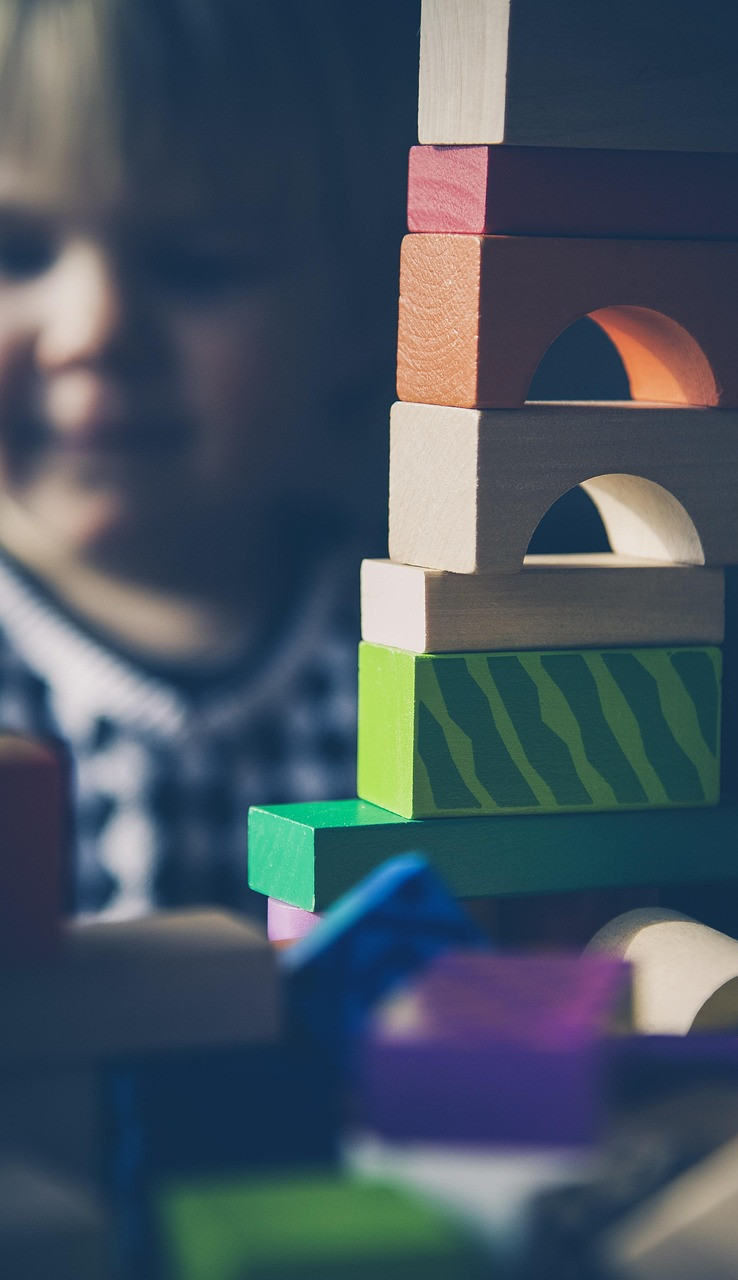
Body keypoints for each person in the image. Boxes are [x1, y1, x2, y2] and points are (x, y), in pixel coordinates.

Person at [0, 0, 412, 920]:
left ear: (358, 310)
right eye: (15, 254)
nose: (94, 329)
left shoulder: (416, 656)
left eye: (198, 263)